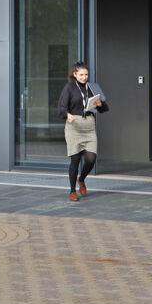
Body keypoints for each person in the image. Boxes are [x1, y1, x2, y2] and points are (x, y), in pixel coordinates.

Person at [58, 62, 108, 201]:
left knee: (91, 159)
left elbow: (104, 108)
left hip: (89, 127)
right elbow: (62, 107)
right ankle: (72, 191)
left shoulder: (92, 87)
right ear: (75, 74)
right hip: (74, 126)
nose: (84, 77)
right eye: (81, 74)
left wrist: (100, 104)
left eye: (86, 74)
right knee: (75, 159)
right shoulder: (69, 87)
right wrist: (67, 114)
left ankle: (82, 179)